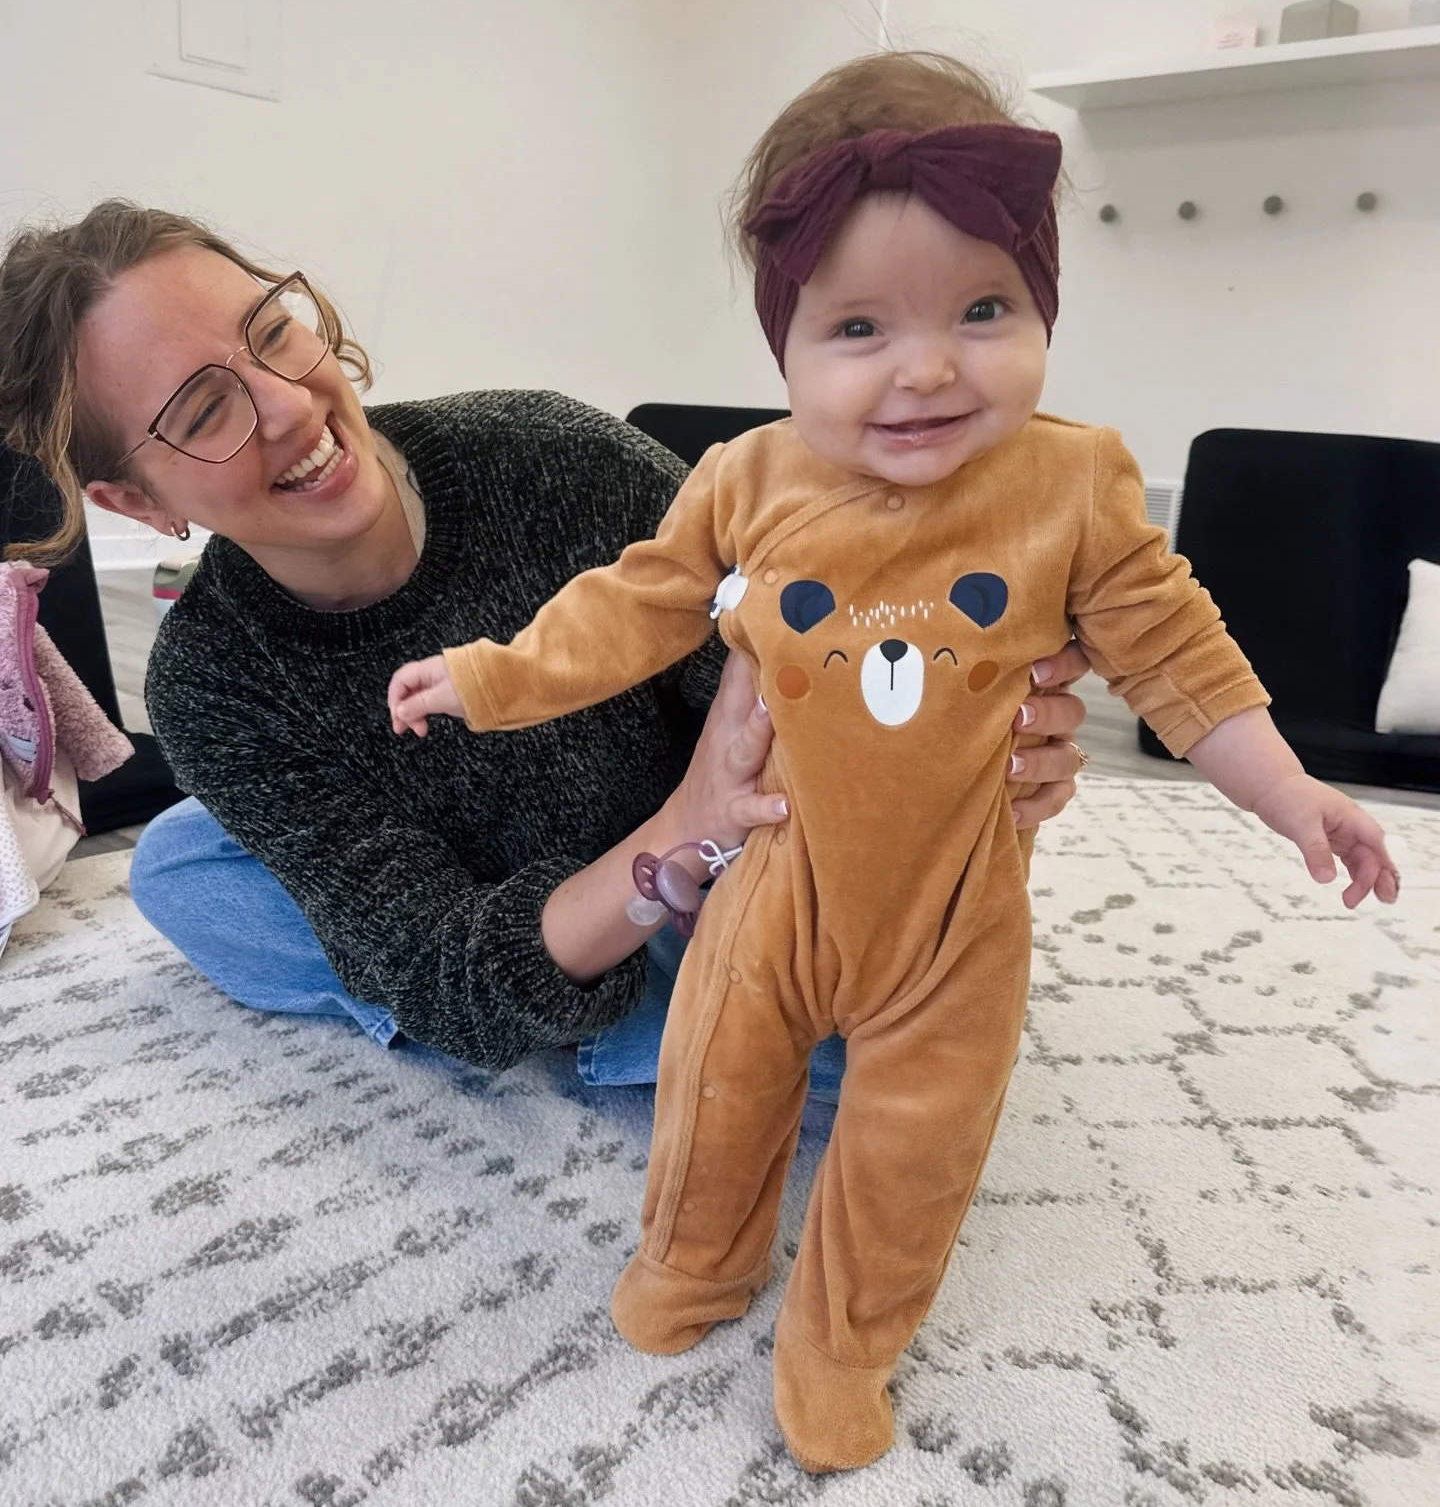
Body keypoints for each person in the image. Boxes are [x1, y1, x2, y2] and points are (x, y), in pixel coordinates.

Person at [387, 51, 1400, 1475]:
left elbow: (1179, 654)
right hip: (775, 881)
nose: (927, 368)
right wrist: (493, 677)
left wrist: (1290, 790)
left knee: (915, 1155)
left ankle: (846, 1348)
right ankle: (695, 1264)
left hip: (957, 918)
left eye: (984, 311)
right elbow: (637, 603)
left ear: (1044, 311)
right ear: (785, 351)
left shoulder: (1073, 485)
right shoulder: (747, 479)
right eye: (858, 328)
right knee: (713, 1094)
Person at [0, 198, 1092, 1091]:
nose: (291, 405)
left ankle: (605, 1015)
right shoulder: (214, 680)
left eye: (272, 331)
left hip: (717, 877)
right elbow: (426, 950)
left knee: (887, 1024)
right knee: (182, 868)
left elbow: (811, 687)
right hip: (637, 861)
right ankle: (624, 1019)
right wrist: (680, 830)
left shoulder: (554, 459)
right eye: (204, 411)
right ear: (136, 501)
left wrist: (964, 746)